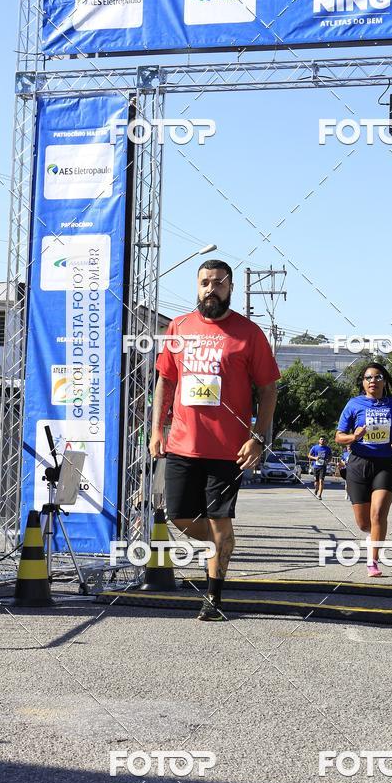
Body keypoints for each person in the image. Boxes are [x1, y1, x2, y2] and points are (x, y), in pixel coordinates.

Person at [149, 260, 280, 621]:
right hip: (181, 444)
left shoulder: (248, 333)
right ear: (197, 286)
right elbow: (166, 381)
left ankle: (213, 596)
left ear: (230, 288)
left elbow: (268, 390)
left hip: (228, 448)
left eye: (218, 284)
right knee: (179, 516)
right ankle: (221, 548)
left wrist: (258, 437)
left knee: (220, 520)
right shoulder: (179, 326)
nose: (211, 289)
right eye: (205, 283)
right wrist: (156, 429)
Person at [335, 363, 392, 577]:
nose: (372, 381)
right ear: (363, 382)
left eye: (377, 377)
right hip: (359, 463)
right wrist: (354, 436)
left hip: (387, 464)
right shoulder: (353, 404)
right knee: (363, 522)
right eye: (368, 378)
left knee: (378, 514)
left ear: (384, 381)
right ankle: (372, 536)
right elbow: (339, 437)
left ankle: (373, 561)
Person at [308, 435, 332, 500]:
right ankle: (316, 489)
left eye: (324, 439)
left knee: (321, 481)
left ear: (325, 441)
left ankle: (320, 495)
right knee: (316, 482)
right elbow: (309, 455)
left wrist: (328, 461)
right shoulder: (315, 447)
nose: (322, 440)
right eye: (321, 439)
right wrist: (315, 458)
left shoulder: (327, 448)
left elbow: (330, 456)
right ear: (319, 440)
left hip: (323, 467)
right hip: (316, 466)